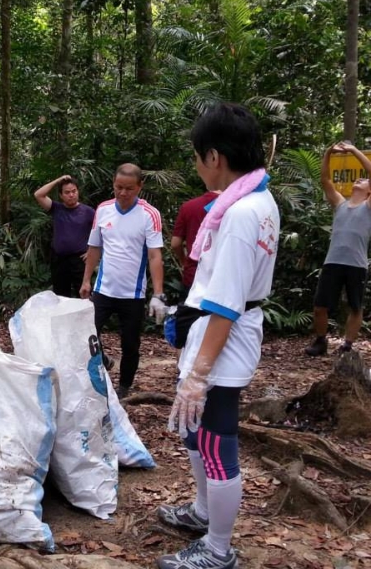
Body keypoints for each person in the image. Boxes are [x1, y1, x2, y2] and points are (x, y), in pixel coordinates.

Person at [157, 103, 279, 569]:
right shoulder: (258, 198)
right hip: (219, 332)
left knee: (214, 439)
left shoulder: (242, 214)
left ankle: (217, 548)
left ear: (213, 156)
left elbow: (226, 305)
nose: (195, 165)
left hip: (225, 342)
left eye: (195, 156)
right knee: (196, 433)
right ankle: (203, 512)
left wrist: (197, 375)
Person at [80, 163, 165, 399]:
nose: (123, 193)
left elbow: (155, 255)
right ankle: (103, 364)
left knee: (130, 345)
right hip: (104, 289)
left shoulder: (149, 214)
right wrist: (87, 280)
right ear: (113, 185)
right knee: (87, 335)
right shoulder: (103, 209)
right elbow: (95, 247)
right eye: (119, 187)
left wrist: (158, 294)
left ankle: (125, 387)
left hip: (133, 294)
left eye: (129, 188)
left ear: (139, 187)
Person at [305, 142, 371, 356]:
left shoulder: (368, 206)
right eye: (358, 178)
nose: (360, 179)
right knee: (320, 306)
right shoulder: (341, 204)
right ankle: (321, 341)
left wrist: (353, 150)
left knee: (355, 307)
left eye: (364, 179)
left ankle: (347, 345)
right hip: (332, 261)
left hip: (356, 264)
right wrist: (327, 152)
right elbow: (325, 180)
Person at [34, 175, 95, 298]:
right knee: (60, 296)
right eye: (67, 192)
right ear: (61, 195)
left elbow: (100, 233)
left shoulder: (88, 212)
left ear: (78, 192)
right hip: (59, 260)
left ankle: (85, 317)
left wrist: (91, 251)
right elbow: (38, 195)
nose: (71, 195)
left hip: (80, 260)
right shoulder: (56, 208)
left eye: (74, 191)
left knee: (83, 294)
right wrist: (58, 180)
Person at [171, 189, 220, 302]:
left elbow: (175, 243)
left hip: (194, 275)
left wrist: (183, 261)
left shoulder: (189, 206)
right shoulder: (238, 206)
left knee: (190, 318)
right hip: (222, 279)